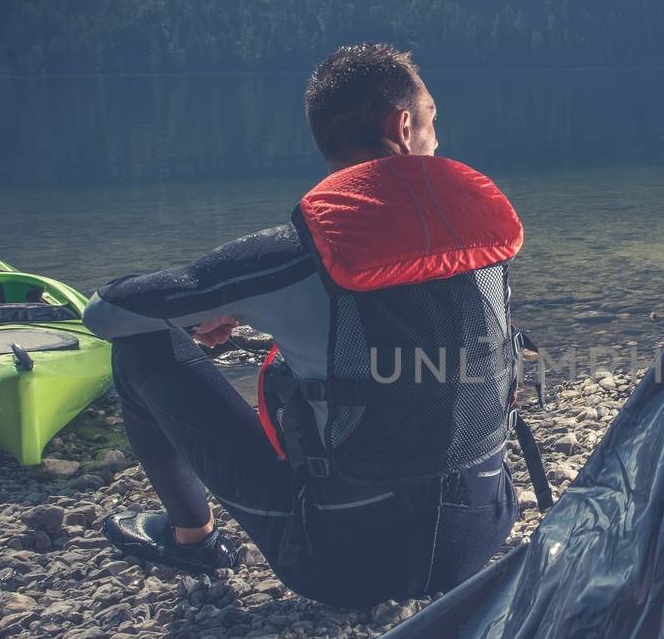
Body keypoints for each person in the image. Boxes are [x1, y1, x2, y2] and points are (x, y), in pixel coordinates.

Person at [82, 43, 535, 608]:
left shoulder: (292, 256)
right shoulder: (483, 236)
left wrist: (218, 301)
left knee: (139, 350)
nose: (437, 137)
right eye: (433, 120)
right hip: (481, 536)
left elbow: (104, 314)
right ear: (403, 126)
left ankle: (193, 541)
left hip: (343, 566)